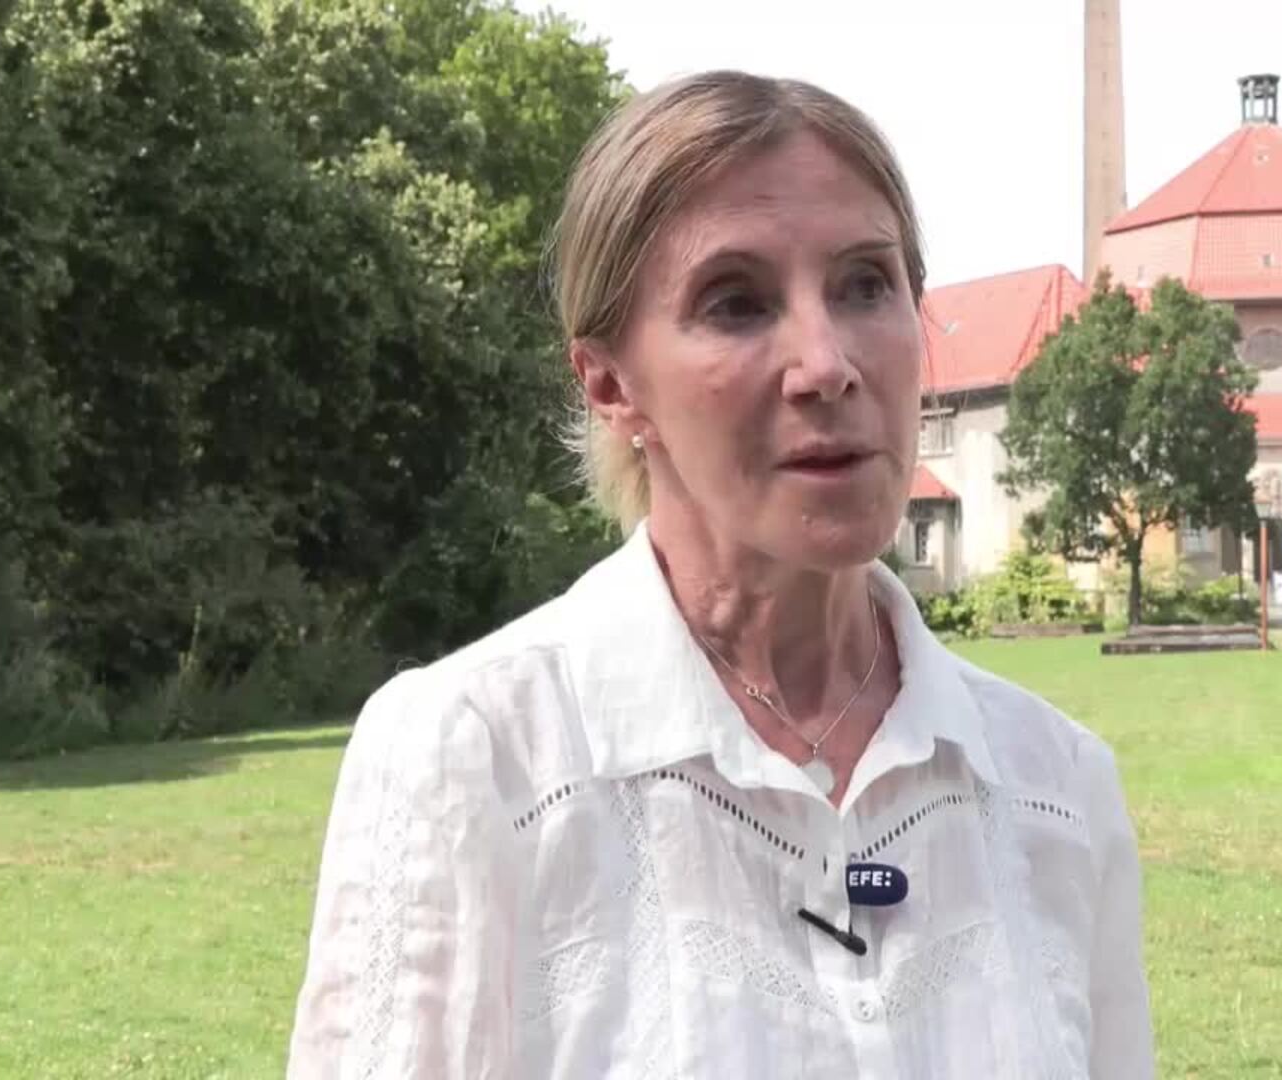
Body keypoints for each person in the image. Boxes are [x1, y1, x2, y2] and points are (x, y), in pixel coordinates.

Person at [287, 70, 1154, 1079]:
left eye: (866, 285)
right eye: (737, 303)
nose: (827, 363)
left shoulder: (1054, 790)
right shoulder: (478, 762)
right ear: (610, 384)